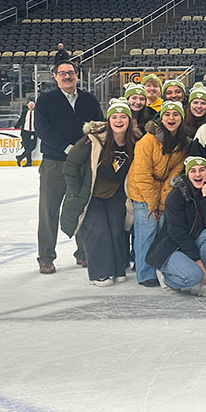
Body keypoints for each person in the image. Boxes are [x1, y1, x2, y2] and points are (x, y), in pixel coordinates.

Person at [61, 99, 141, 286]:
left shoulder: (135, 141)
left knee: (116, 229)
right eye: (114, 117)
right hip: (91, 195)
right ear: (108, 119)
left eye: (123, 117)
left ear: (129, 120)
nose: (119, 120)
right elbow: (71, 165)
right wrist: (77, 191)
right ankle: (99, 272)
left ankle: (117, 268)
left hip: (115, 194)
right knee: (98, 230)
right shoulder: (93, 139)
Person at [34, 57, 103, 274]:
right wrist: (67, 148)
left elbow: (99, 127)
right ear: (55, 77)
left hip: (83, 165)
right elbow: (43, 130)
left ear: (77, 75)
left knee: (82, 208)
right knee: (49, 210)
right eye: (62, 73)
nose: (67, 76)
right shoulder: (45, 101)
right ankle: (46, 257)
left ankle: (84, 253)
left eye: (70, 72)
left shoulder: (89, 100)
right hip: (54, 164)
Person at [127, 100, 190, 287]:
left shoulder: (182, 143)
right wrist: (153, 203)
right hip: (141, 191)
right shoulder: (147, 141)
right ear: (161, 118)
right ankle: (145, 273)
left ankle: (158, 267)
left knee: (162, 229)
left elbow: (174, 174)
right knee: (146, 230)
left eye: (176, 114)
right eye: (167, 114)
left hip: (163, 191)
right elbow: (142, 173)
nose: (171, 118)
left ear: (181, 118)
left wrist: (162, 202)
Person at [145, 156, 206, 298]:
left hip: (191, 244)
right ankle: (166, 277)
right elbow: (177, 233)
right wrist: (198, 262)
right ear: (187, 175)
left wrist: (205, 194)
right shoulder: (176, 195)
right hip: (171, 248)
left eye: (202, 170)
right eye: (193, 171)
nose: (198, 174)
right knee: (193, 276)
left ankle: (205, 284)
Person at [15, 99, 37, 167]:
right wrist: (15, 127)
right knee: (27, 147)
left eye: (32, 105)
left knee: (32, 147)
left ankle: (20, 157)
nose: (31, 106)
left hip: (33, 132)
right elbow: (21, 121)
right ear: (27, 105)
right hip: (25, 132)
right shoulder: (24, 112)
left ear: (34, 105)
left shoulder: (37, 113)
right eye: (30, 105)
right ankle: (29, 162)